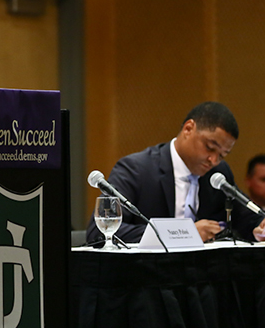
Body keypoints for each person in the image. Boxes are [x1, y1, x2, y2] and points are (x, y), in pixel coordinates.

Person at [86, 101, 264, 244]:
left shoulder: (218, 174)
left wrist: (259, 227)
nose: (214, 160)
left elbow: (247, 219)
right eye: (210, 148)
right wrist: (185, 233)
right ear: (188, 129)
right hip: (150, 280)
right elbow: (100, 231)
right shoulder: (136, 169)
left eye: (222, 155)